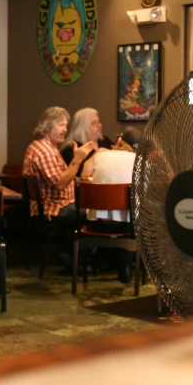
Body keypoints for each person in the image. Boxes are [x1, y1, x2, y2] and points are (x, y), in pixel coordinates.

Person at [86, 127, 142, 283]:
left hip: (97, 225)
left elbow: (85, 174)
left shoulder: (102, 156)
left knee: (114, 214)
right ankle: (128, 265)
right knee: (132, 216)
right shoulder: (141, 162)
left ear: (119, 141)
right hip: (129, 228)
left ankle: (90, 260)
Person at [23, 107, 95, 220]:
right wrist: (77, 160)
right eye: (61, 125)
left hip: (60, 207)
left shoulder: (47, 147)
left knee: (94, 207)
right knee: (97, 211)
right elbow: (59, 184)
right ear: (47, 127)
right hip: (55, 210)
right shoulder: (44, 151)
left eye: (66, 125)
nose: (65, 129)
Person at [59, 108, 113, 178]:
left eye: (99, 122)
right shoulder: (71, 148)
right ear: (82, 127)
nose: (100, 125)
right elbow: (81, 175)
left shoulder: (104, 140)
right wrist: (100, 152)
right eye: (94, 123)